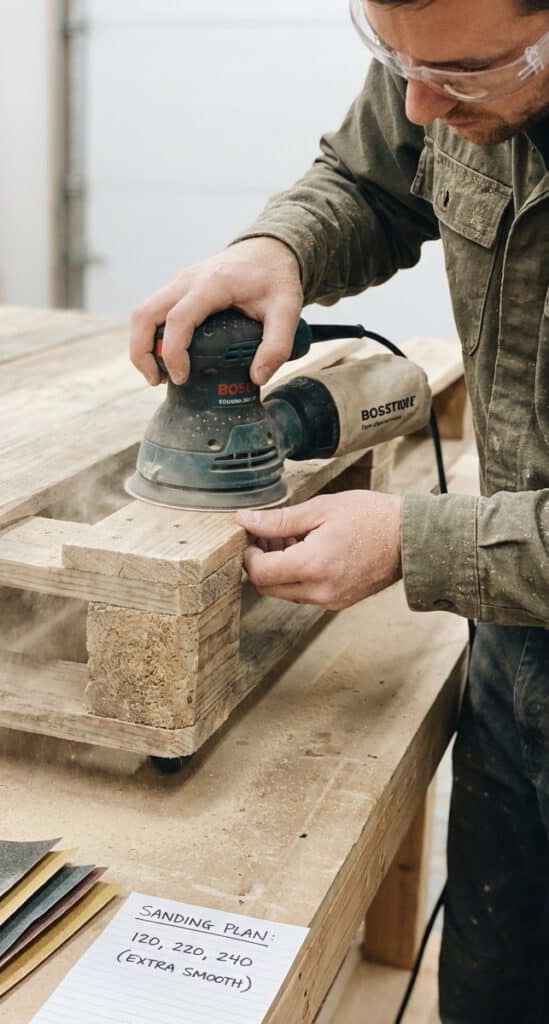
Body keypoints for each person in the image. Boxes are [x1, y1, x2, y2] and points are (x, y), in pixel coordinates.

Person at [129, 1, 549, 1020]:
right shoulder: (444, 51)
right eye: (394, 58)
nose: (418, 99)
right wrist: (282, 247)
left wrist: (420, 539)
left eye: (464, 75)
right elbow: (370, 175)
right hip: (519, 663)